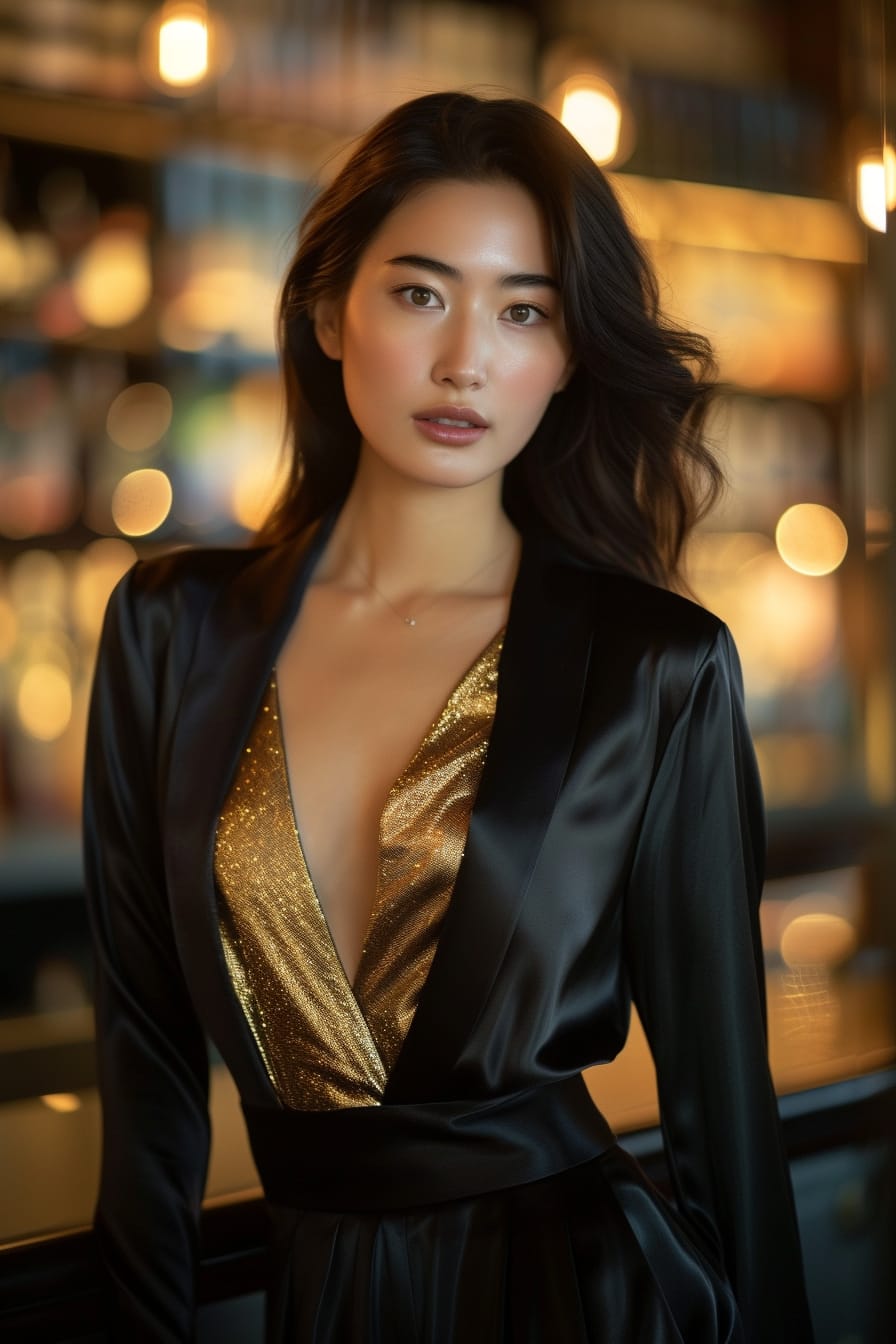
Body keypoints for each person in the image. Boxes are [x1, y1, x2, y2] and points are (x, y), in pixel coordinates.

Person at [83, 91, 815, 1343]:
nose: (465, 359)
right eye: (419, 293)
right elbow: (149, 1083)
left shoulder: (655, 669)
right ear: (328, 309)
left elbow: (719, 1112)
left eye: (522, 310)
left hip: (582, 1302)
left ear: (571, 350)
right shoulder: (169, 629)